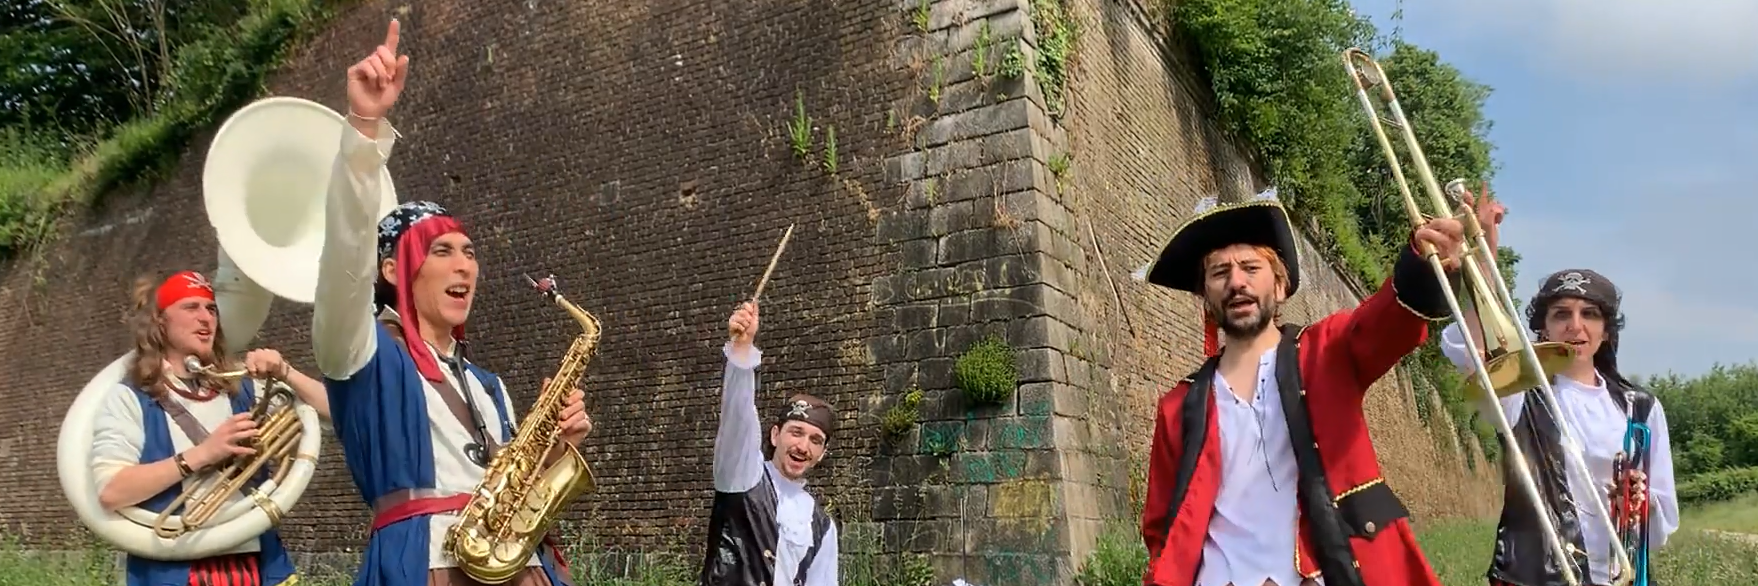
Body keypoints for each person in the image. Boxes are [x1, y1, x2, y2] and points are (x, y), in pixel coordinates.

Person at [310, 19, 596, 586]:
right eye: (441, 250)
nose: (465, 264)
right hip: (428, 566)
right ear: (392, 269)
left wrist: (555, 448)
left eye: (469, 252)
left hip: (519, 568)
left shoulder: (488, 385)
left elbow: (513, 493)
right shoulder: (360, 353)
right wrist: (364, 130)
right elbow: (344, 260)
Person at [1136, 191, 1468, 586]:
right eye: (1219, 272)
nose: (1236, 282)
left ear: (1279, 286)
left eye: (1250, 267)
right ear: (1206, 298)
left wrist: (1424, 260)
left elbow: (1385, 322)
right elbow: (1162, 527)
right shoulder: (1178, 406)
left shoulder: (1325, 352)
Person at [1435, 187, 1677, 586]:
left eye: (1590, 315)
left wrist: (1637, 504)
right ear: (1543, 327)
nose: (1575, 326)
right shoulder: (1523, 388)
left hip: (1615, 576)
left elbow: (1664, 516)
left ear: (1606, 332)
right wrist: (1484, 260)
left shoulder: (1642, 408)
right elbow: (1469, 351)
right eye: (1561, 314)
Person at [91, 269, 332, 586]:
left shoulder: (241, 388)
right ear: (160, 321)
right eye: (190, 308)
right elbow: (112, 492)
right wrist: (203, 454)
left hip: (257, 565)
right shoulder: (129, 398)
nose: (206, 318)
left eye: (211, 308)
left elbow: (334, 413)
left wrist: (285, 371)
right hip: (175, 570)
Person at [698, 301, 839, 586]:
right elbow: (738, 418)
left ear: (822, 454)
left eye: (815, 440)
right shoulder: (742, 476)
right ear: (775, 435)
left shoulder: (822, 524)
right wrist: (741, 351)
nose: (803, 446)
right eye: (796, 432)